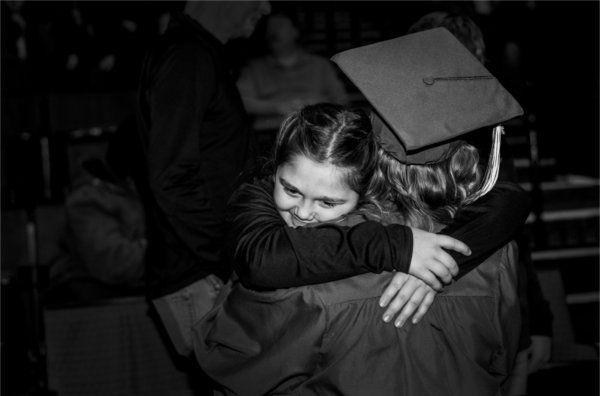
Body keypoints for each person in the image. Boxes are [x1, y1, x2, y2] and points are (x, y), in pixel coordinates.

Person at [194, 28, 529, 395]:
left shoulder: (307, 259)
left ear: (367, 160)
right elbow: (504, 358)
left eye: (325, 200)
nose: (305, 212)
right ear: (466, 162)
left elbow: (235, 367)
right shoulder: (498, 254)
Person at [408, 12, 554, 395]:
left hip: (500, 304)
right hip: (432, 317)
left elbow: (513, 229)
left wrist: (537, 320)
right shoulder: (397, 139)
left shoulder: (489, 135)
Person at [133, 0, 271, 359]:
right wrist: (228, 256)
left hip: (203, 267)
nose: (267, 7)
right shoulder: (188, 56)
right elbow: (171, 178)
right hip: (198, 272)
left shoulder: (197, 53)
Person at [236, 11, 348, 143]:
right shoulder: (254, 68)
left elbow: (341, 99)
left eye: (280, 26)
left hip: (316, 134)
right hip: (269, 136)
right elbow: (240, 101)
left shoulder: (319, 65)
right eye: (270, 27)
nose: (273, 31)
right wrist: (276, 107)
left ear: (295, 31)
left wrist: (315, 108)